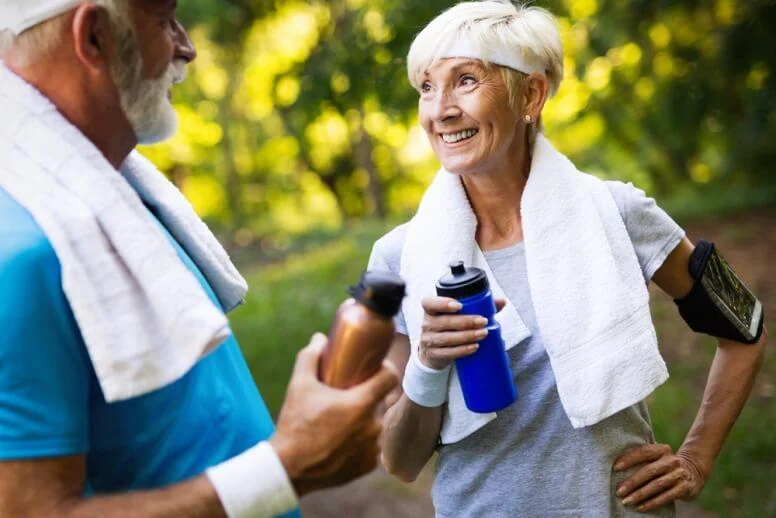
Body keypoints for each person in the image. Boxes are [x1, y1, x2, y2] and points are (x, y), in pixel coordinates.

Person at [368, 1, 767, 517]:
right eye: (426, 86)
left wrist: (694, 460)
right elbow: (397, 460)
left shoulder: (617, 212)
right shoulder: (399, 257)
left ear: (530, 94)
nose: (439, 109)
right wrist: (426, 363)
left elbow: (745, 328)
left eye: (465, 80)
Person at [0, 1, 398, 517]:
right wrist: (288, 469)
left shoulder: (117, 198)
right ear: (94, 37)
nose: (186, 47)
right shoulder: (20, 251)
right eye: (165, 20)